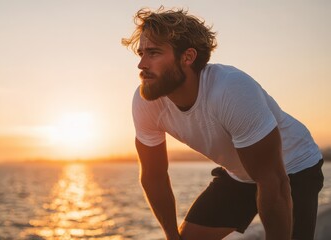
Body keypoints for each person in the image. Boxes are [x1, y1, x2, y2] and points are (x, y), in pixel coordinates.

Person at [122, 7, 324, 240]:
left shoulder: (230, 90)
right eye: (141, 54)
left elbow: (273, 182)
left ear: (187, 57)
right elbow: (154, 176)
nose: (141, 65)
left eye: (154, 53)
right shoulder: (147, 101)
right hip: (239, 174)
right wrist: (170, 236)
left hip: (292, 167)